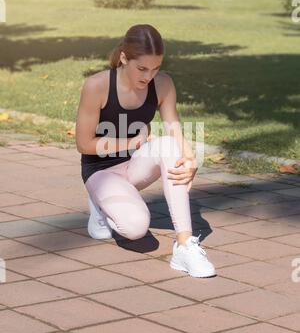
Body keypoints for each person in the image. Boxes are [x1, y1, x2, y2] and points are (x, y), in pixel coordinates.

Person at [75, 24, 216, 278]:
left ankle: (184, 245)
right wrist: (131, 143)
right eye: (141, 68)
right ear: (123, 58)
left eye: (155, 68)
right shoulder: (97, 85)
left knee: (169, 146)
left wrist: (189, 158)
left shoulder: (162, 84)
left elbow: (172, 125)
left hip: (135, 167)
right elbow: (84, 144)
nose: (148, 77)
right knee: (136, 229)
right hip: (101, 171)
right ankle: (100, 204)